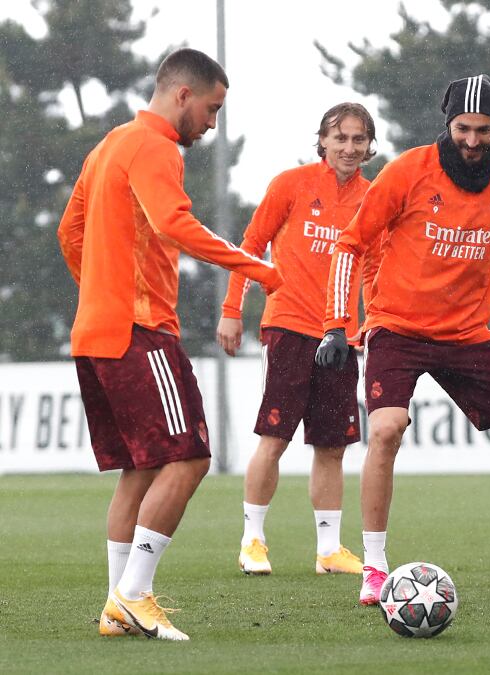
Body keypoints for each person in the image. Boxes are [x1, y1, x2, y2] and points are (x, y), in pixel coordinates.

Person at [316, 74, 490, 604]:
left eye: (483, 130)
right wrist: (337, 325)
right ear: (448, 123)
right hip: (397, 327)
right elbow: (351, 244)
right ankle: (374, 567)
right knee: (386, 429)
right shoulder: (408, 171)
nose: (472, 140)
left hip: (469, 336)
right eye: (463, 128)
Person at [57, 48, 283, 641]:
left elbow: (69, 231)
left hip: (96, 331)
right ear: (183, 94)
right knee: (190, 457)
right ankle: (134, 594)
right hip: (139, 331)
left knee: (142, 467)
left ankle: (115, 604)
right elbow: (174, 224)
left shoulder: (110, 143)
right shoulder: (155, 146)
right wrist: (256, 269)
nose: (212, 124)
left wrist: (100, 289)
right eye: (211, 109)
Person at [217, 103, 377, 577]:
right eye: (340, 138)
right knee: (275, 436)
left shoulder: (376, 196)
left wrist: (372, 323)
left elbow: (380, 267)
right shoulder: (292, 184)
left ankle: (328, 550)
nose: (349, 148)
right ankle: (252, 541)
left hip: (343, 337)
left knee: (332, 445)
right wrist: (231, 311)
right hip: (287, 326)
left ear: (370, 145)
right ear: (323, 141)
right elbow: (249, 248)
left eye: (358, 139)